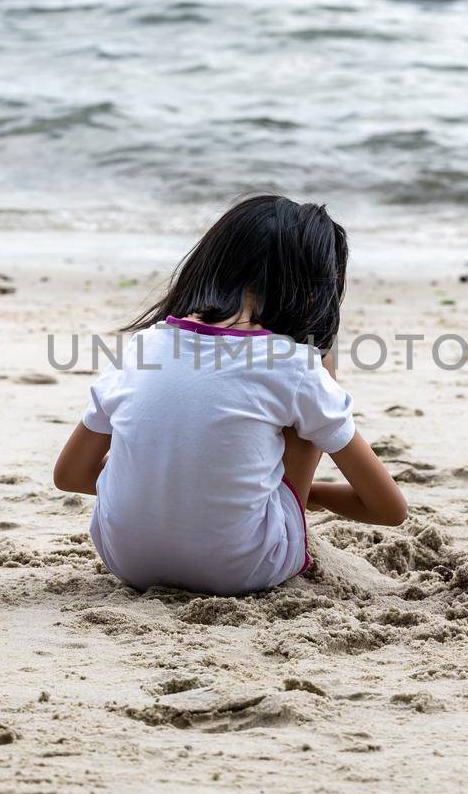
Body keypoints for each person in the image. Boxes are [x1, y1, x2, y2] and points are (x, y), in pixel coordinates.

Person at [54, 194, 406, 596]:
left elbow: (70, 476)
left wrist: (162, 482)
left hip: (126, 561)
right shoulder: (294, 364)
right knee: (314, 377)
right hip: (244, 568)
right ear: (313, 288)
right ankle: (281, 504)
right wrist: (315, 497)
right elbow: (388, 509)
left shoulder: (141, 347)